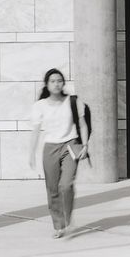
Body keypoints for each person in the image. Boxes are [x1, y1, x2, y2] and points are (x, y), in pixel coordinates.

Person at [28, 68, 90, 238]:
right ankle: (59, 225)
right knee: (52, 188)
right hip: (50, 148)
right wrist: (31, 153)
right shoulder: (39, 106)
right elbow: (35, 131)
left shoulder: (73, 101)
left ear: (63, 83)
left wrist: (85, 145)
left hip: (70, 145)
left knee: (66, 185)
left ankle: (67, 219)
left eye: (59, 81)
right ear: (47, 85)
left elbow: (83, 124)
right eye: (53, 81)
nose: (56, 84)